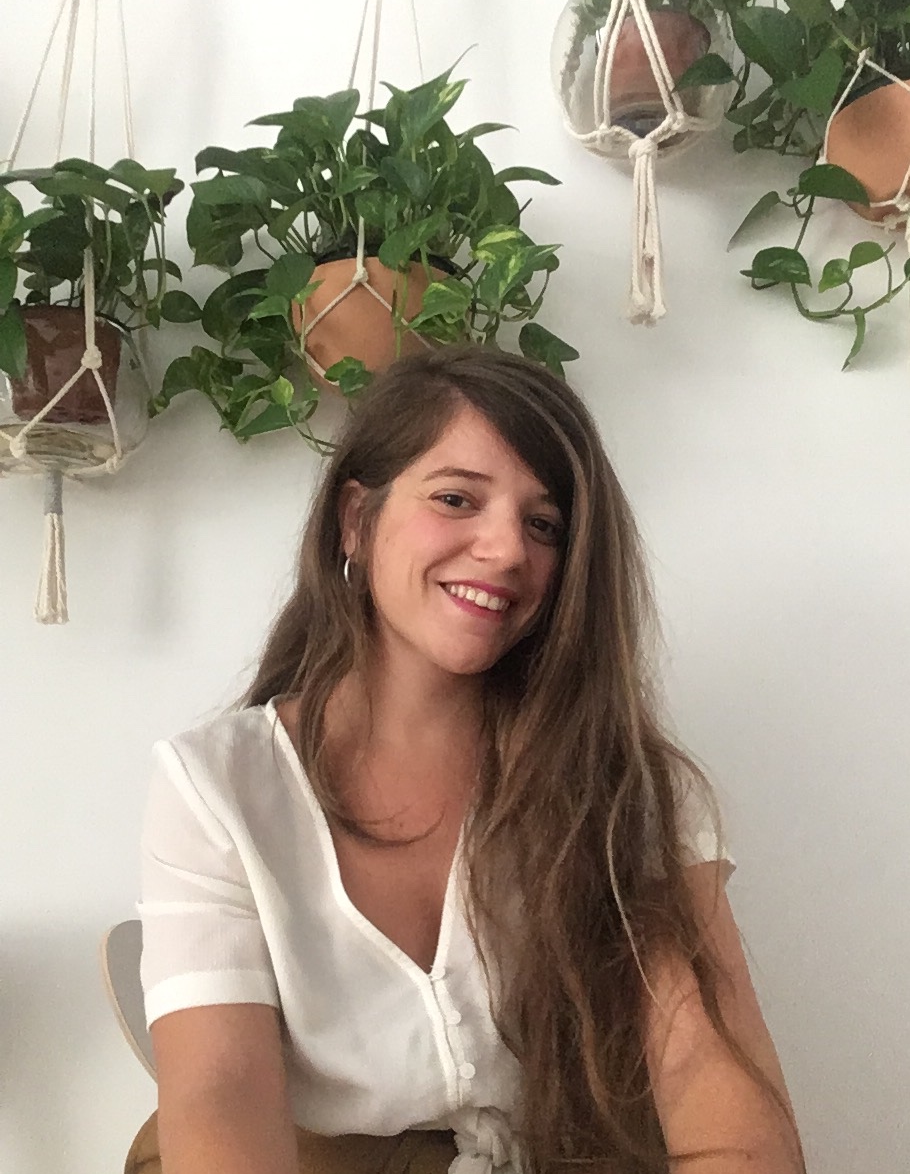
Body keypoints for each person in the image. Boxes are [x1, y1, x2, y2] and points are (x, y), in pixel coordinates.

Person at [130, 346, 805, 1174]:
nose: (507, 549)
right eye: (456, 498)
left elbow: (715, 1082)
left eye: (543, 525)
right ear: (355, 519)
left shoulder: (627, 788)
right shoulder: (215, 787)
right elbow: (220, 1096)